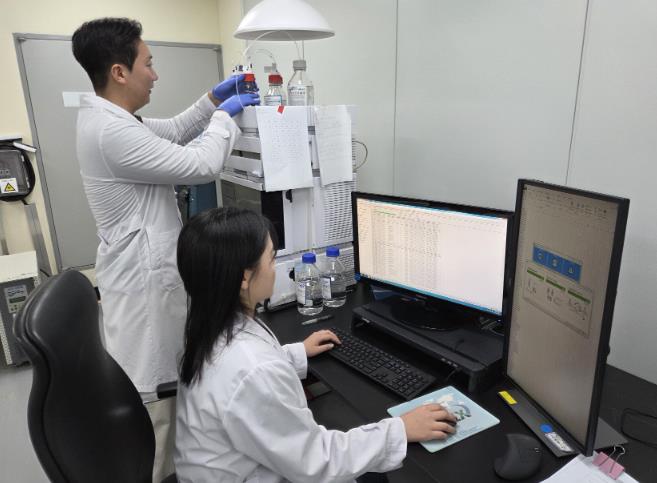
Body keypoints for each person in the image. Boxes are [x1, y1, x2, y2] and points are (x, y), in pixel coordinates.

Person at [71, 17, 259, 481]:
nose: (155, 74)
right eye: (148, 64)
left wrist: (213, 99)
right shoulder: (110, 132)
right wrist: (225, 117)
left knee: (171, 406)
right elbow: (201, 164)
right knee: (158, 419)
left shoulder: (111, 118)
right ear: (119, 72)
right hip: (145, 293)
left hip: (144, 277)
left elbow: (174, 130)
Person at [174, 207, 457, 482]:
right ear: (245, 278)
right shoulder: (254, 369)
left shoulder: (209, 325)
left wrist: (296, 353)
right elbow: (316, 463)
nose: (275, 269)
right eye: (271, 259)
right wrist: (401, 430)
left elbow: (246, 378)